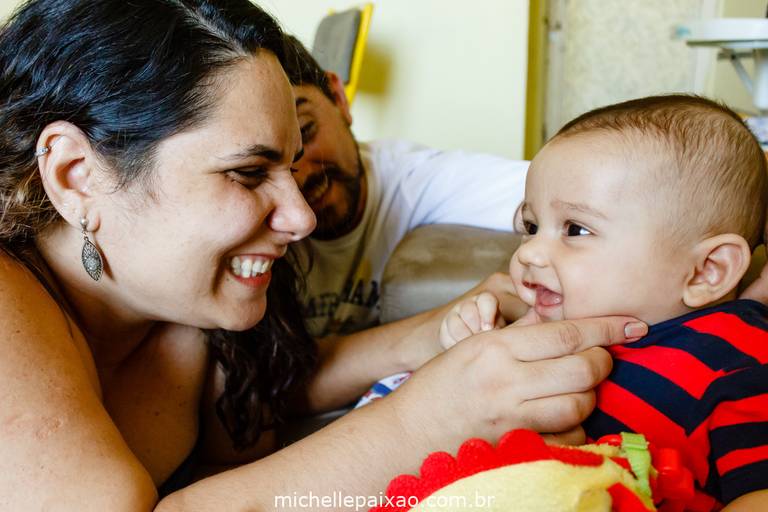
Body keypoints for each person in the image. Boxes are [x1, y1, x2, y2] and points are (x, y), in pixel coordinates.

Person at [0, 1, 647, 509]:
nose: (302, 218)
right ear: (76, 173)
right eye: (248, 174)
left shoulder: (188, 307)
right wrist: (426, 421)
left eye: (291, 159)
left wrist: (442, 337)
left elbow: (284, 395)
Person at [439, 95, 768, 510]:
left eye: (575, 229)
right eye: (531, 226)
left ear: (706, 271)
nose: (529, 253)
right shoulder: (549, 324)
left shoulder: (738, 366)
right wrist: (471, 339)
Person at [280, 35, 530, 339]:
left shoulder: (413, 179)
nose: (300, 173)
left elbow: (558, 191)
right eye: (268, 156)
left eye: (305, 131)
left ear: (338, 98)